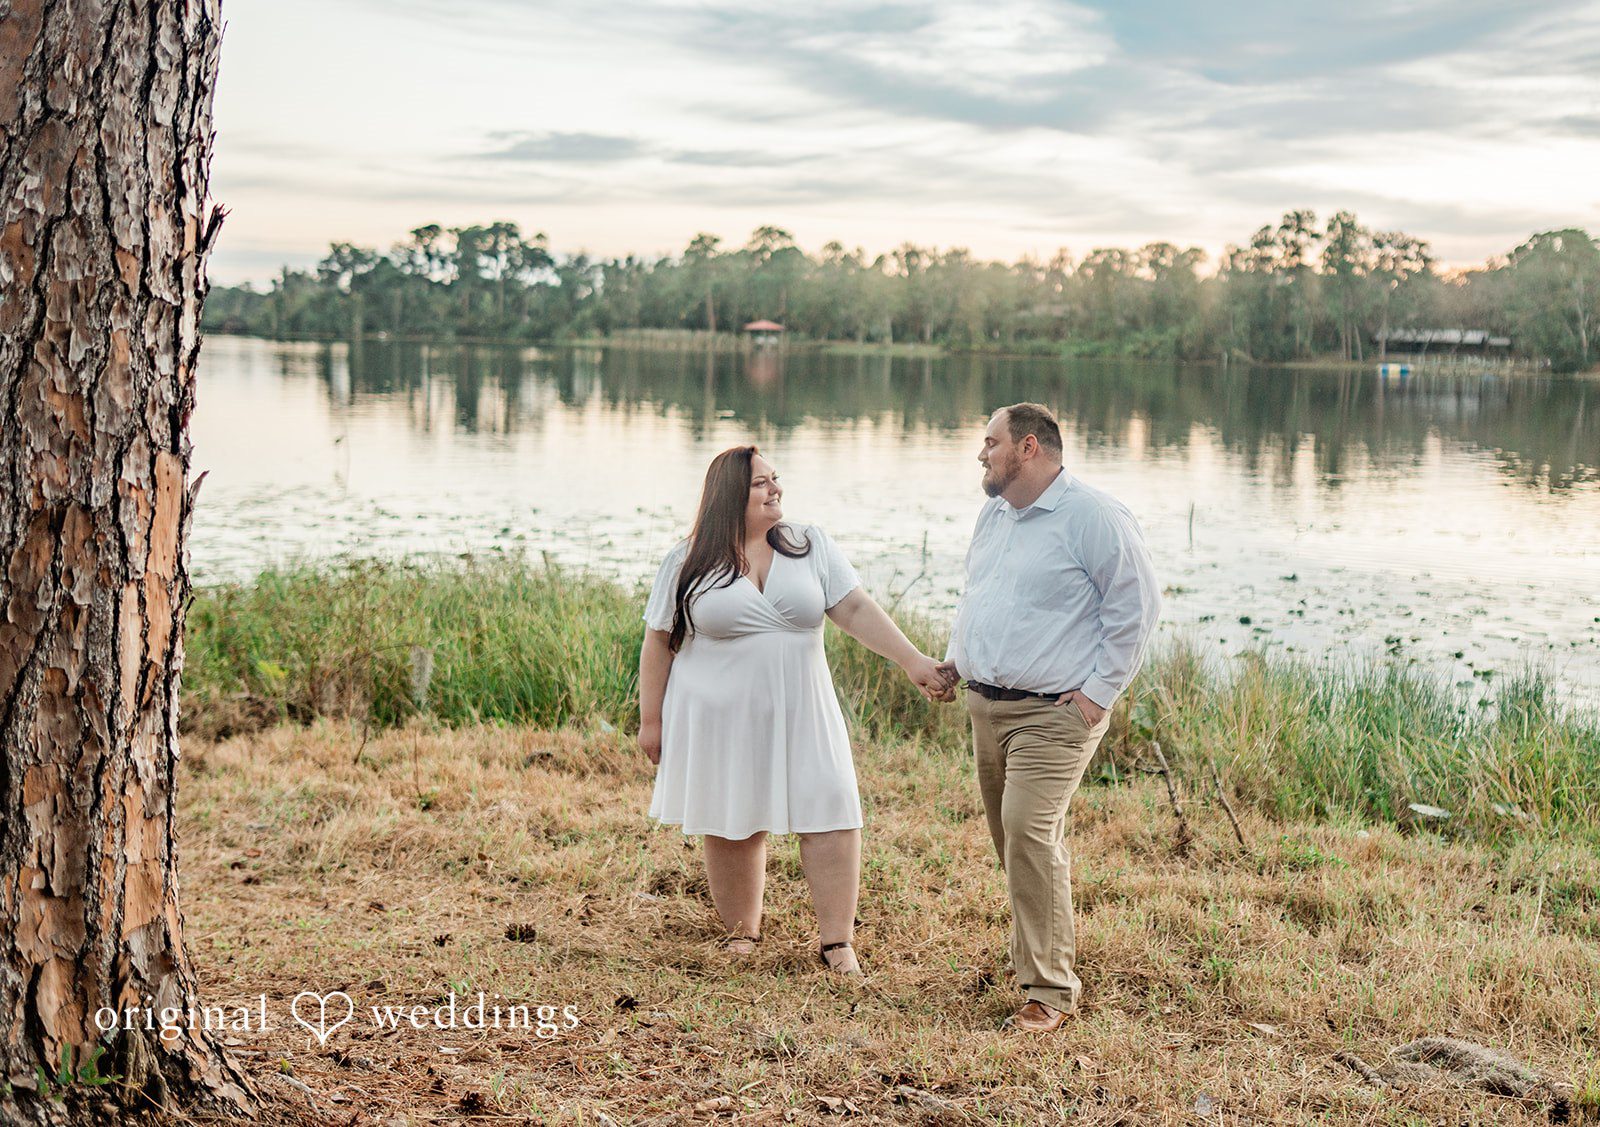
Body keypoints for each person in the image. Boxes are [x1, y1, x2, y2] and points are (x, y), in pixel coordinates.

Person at [639, 445, 953, 976]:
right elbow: (657, 641)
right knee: (733, 815)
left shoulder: (810, 545)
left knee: (831, 805)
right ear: (730, 496)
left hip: (804, 705)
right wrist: (652, 720)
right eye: (762, 483)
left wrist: (912, 661)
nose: (775, 488)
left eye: (775, 479)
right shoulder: (687, 560)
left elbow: (853, 608)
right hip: (721, 715)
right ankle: (742, 932)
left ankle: (837, 943)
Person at [934, 403, 1160, 1031]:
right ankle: (1032, 959)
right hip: (987, 704)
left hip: (1055, 714)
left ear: (1028, 447)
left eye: (991, 442)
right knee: (1014, 843)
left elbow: (1136, 609)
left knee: (1029, 832)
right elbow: (983, 596)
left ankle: (1049, 990)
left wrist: (1097, 696)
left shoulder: (1093, 516)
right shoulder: (995, 514)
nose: (981, 453)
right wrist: (959, 661)